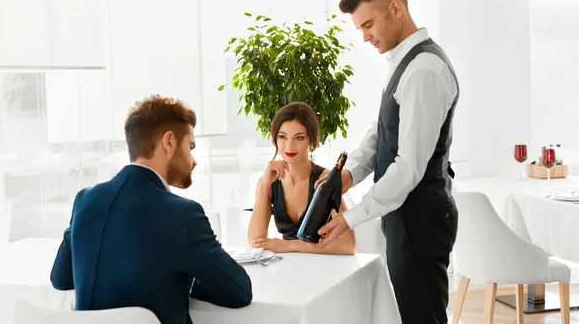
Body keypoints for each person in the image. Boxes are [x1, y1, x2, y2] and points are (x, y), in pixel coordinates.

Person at [313, 0, 460, 324]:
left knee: (420, 317)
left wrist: (350, 219)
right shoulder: (404, 63)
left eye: (368, 25)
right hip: (407, 217)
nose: (364, 37)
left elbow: (408, 167)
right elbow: (381, 133)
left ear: (395, 8)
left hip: (421, 218)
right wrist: (348, 175)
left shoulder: (424, 70)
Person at [50, 95, 252, 324]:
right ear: (169, 142)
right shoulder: (183, 215)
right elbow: (240, 291)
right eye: (190, 146)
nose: (194, 160)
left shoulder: (85, 200)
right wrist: (188, 275)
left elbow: (61, 278)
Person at [247, 102, 356, 255]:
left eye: (299, 138)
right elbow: (255, 241)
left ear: (311, 141)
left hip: (325, 266)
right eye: (282, 137)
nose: (289, 146)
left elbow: (348, 246)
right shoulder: (269, 183)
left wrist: (289, 245)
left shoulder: (325, 180)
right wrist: (264, 184)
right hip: (288, 266)